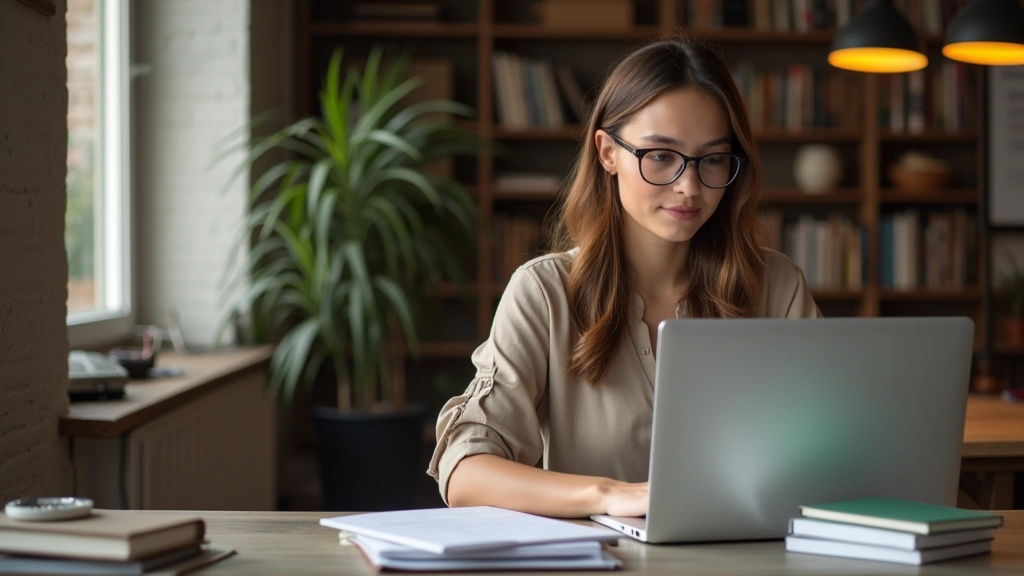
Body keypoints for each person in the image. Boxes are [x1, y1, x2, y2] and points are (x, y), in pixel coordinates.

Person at [427, 38, 822, 519]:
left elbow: (827, 453)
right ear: (607, 153)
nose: (689, 186)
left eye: (713, 159)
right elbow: (465, 470)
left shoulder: (777, 287)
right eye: (660, 156)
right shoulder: (544, 293)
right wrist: (611, 496)